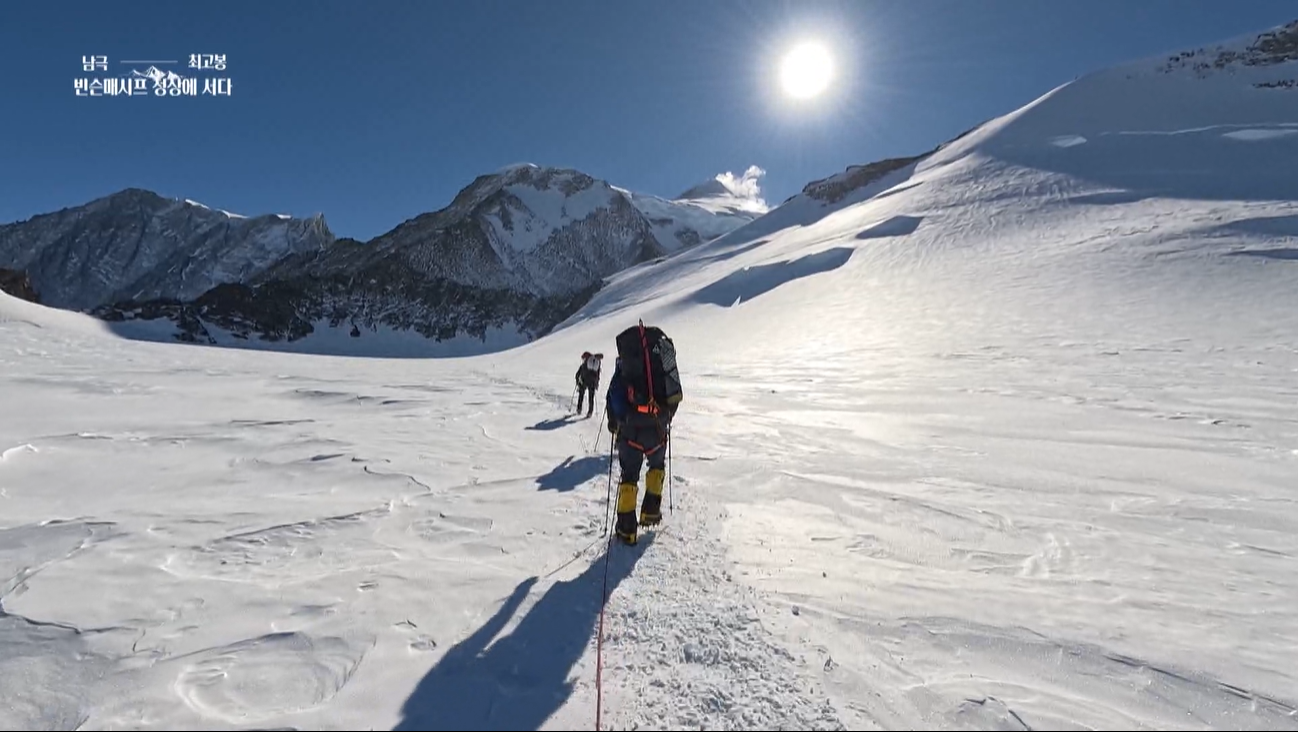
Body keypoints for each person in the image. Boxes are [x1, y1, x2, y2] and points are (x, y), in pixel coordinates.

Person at [605, 326, 681, 546]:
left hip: (632, 432)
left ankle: (627, 529)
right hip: (658, 427)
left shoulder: (624, 368)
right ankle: (650, 512)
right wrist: (666, 417)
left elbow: (615, 397)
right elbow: (675, 395)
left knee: (629, 475)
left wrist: (617, 423)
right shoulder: (663, 362)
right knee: (657, 467)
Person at [574, 351, 603, 417]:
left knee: (581, 394)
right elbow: (597, 375)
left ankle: (579, 409)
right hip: (592, 382)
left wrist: (577, 382)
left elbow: (578, 374)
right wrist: (596, 383)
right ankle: (590, 412)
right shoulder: (596, 363)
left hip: (584, 380)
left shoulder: (584, 364)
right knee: (591, 397)